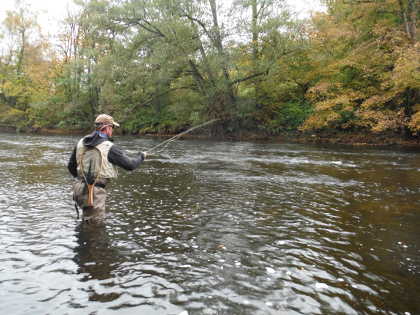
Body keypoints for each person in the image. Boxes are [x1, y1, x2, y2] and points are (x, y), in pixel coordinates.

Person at [68, 114, 146, 223]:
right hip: (94, 193)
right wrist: (141, 156)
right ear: (107, 128)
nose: (112, 130)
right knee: (95, 228)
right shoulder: (110, 147)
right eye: (112, 127)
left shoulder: (80, 142)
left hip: (79, 189)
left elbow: (71, 167)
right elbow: (130, 165)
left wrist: (84, 181)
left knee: (87, 221)